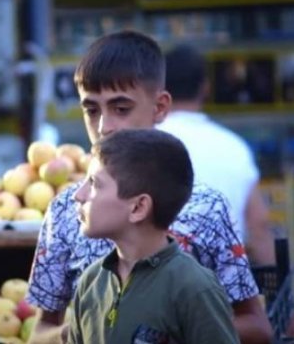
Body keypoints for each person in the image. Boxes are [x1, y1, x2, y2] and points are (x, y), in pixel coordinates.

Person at [26, 31, 271, 344]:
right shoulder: (67, 210)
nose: (104, 126)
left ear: (160, 107)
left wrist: (169, 327)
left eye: (121, 108)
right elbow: (39, 333)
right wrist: (90, 328)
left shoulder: (204, 207)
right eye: (91, 110)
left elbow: (256, 327)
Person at [67, 128, 239, 344]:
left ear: (138, 207)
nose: (78, 195)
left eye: (94, 184)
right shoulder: (91, 281)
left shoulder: (194, 288)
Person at [157, 44, 275, 265]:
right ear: (206, 88)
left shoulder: (143, 143)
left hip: (156, 286)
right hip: (227, 288)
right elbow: (258, 227)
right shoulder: (234, 147)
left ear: (160, 90)